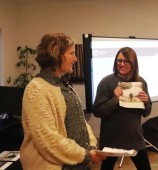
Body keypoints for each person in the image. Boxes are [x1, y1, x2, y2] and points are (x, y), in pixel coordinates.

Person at [20, 33, 105, 170]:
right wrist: (86, 155)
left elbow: (80, 121)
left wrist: (91, 145)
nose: (76, 58)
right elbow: (47, 140)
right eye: (72, 53)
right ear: (56, 55)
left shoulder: (64, 85)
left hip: (79, 165)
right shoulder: (37, 89)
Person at [93, 47, 152, 170]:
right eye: (119, 61)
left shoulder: (141, 82)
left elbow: (146, 112)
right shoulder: (106, 82)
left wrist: (146, 102)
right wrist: (115, 99)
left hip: (134, 138)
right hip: (111, 140)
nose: (121, 64)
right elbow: (97, 112)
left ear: (133, 63)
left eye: (126, 61)